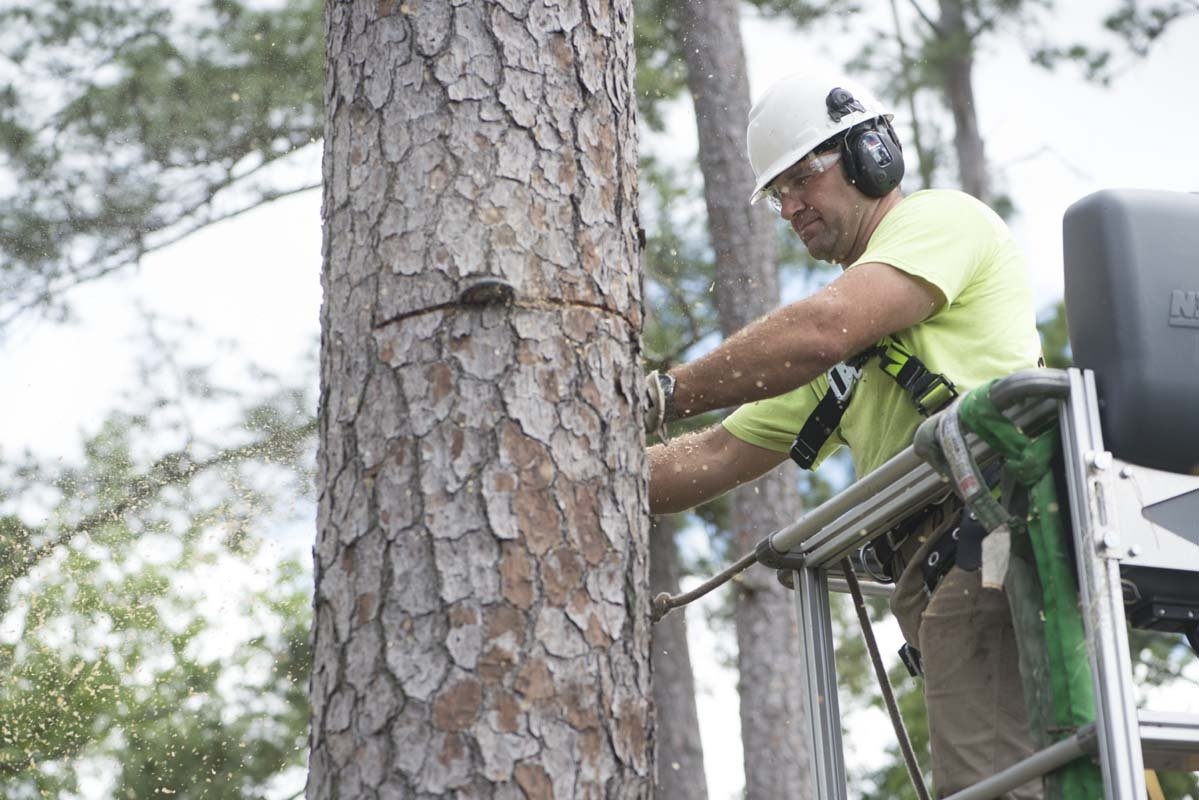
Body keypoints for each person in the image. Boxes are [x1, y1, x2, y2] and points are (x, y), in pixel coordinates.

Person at [645, 69, 1045, 799]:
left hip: (993, 536)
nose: (790, 206)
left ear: (871, 156)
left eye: (802, 177)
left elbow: (823, 326)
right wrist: (575, 466)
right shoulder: (840, 365)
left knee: (994, 786)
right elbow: (714, 452)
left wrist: (663, 395)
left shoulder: (942, 221)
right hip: (945, 568)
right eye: (777, 194)